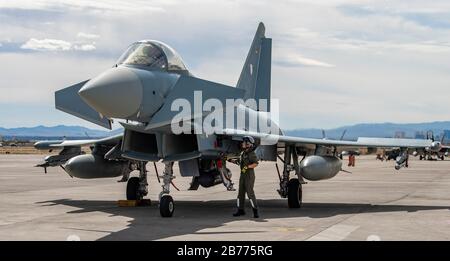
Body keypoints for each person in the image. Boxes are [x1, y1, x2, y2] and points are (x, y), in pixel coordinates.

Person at [233, 136, 259, 218]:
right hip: (243, 176)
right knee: (240, 194)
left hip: (249, 176)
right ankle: (240, 210)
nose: (242, 143)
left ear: (248, 144)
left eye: (244, 142)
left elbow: (256, 163)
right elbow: (239, 162)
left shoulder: (251, 153)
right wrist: (228, 159)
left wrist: (247, 167)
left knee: (250, 193)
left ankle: (255, 211)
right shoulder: (243, 153)